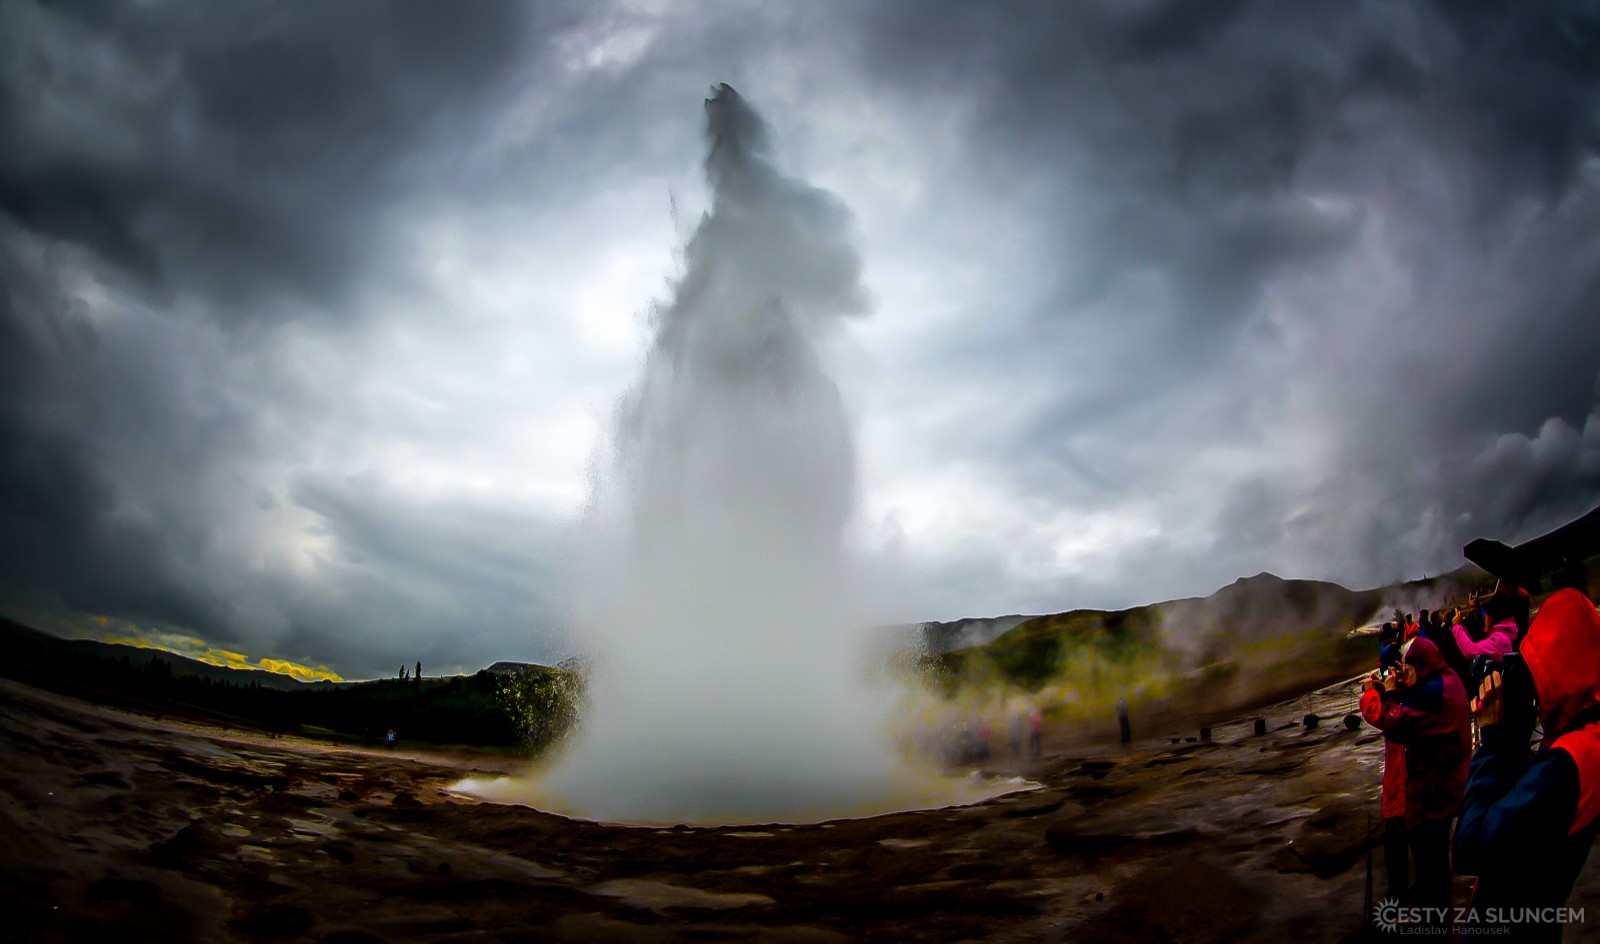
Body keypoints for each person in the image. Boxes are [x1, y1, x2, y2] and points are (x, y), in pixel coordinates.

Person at [1453, 588, 1600, 941]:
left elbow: (1469, 848)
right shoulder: (1587, 737)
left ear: (1558, 667)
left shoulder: (1568, 763)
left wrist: (1491, 744)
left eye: (1539, 665)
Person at [1360, 637, 1471, 917]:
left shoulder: (1431, 694)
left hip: (1429, 794)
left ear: (1419, 665)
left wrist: (1386, 692)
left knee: (1428, 866)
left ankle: (1430, 926)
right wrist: (1405, 685)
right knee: (1435, 866)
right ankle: (1435, 917)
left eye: (1408, 668)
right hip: (1445, 787)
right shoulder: (1445, 679)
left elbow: (1392, 722)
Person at [1364, 625, 1410, 903]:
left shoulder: (1386, 649)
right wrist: (1390, 690)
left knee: (1396, 843)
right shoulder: (1433, 687)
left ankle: (1399, 903)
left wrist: (1374, 693)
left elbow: (1383, 716)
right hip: (1414, 780)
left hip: (1402, 782)